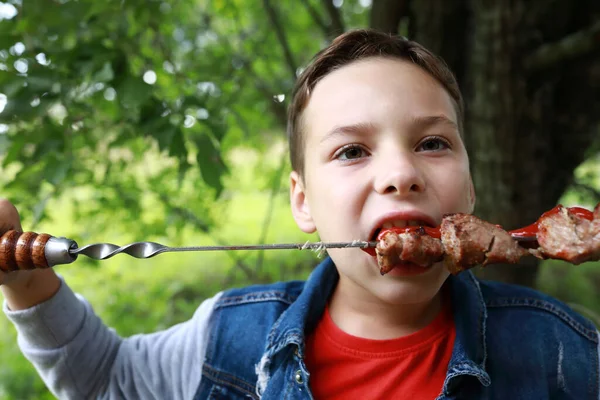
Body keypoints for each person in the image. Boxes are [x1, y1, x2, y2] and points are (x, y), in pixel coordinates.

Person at [1, 29, 598, 400]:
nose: (400, 173)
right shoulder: (227, 341)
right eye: (351, 151)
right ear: (302, 201)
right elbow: (106, 381)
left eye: (433, 143)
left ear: (468, 189)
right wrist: (28, 282)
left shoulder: (565, 351)